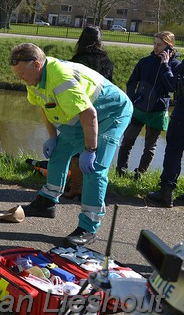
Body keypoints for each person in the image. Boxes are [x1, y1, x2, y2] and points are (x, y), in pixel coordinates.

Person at [10, 43, 132, 246]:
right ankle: (47, 202)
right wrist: (53, 138)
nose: (19, 78)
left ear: (38, 65)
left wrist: (89, 149)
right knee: (58, 153)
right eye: (17, 73)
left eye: (22, 72)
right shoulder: (33, 79)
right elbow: (44, 106)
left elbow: (89, 113)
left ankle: (89, 227)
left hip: (110, 113)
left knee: (94, 170)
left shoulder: (61, 78)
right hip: (83, 116)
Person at [116, 32, 180, 180]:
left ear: (169, 46)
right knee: (127, 141)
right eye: (154, 43)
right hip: (139, 109)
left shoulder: (175, 65)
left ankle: (139, 174)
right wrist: (133, 99)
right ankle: (121, 171)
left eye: (160, 45)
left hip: (157, 111)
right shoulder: (145, 62)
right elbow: (131, 82)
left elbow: (172, 87)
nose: (156, 47)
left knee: (150, 147)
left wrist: (165, 66)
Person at [63, 26, 115, 199]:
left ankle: (75, 186)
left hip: (80, 106)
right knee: (94, 148)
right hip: (102, 108)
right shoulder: (106, 61)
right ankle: (88, 189)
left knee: (77, 147)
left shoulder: (77, 60)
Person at [147, 60, 184, 207]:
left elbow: (172, 83)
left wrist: (167, 66)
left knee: (173, 152)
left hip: (182, 115)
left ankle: (166, 192)